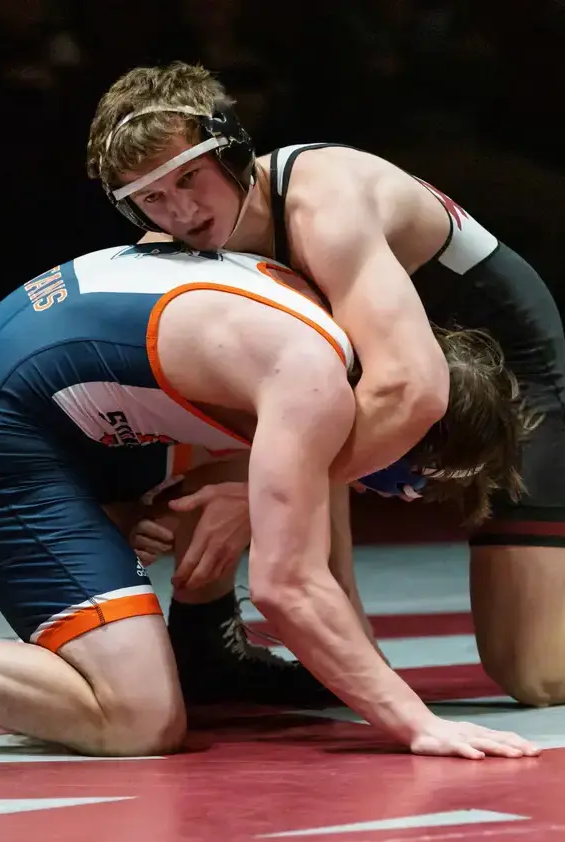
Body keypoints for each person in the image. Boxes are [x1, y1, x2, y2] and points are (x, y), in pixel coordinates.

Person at [87, 61, 565, 709]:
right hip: (364, 365)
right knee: (238, 403)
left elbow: (409, 389)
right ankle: (213, 633)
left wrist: (257, 499)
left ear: (232, 149)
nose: (182, 211)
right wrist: (131, 505)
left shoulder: (323, 205)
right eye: (151, 198)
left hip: (498, 364)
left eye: (189, 178)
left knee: (536, 675)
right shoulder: (166, 250)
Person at [0, 240, 537, 759]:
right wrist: (414, 720)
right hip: (8, 428)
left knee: (267, 479)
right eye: (410, 481)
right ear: (407, 421)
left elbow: (327, 561)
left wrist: (139, 513)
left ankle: (189, 643)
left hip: (60, 393)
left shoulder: (342, 337)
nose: (394, 495)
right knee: (138, 720)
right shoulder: (312, 381)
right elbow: (289, 586)